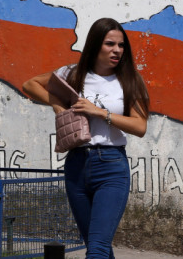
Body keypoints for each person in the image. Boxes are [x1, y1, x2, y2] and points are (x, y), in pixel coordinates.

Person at [22, 18, 150, 259]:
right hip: (76, 164)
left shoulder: (130, 80)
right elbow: (30, 84)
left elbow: (140, 126)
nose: (117, 50)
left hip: (111, 166)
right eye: (110, 44)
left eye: (121, 46)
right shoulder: (72, 73)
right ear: (94, 44)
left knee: (97, 249)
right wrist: (59, 105)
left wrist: (100, 113)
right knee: (96, 246)